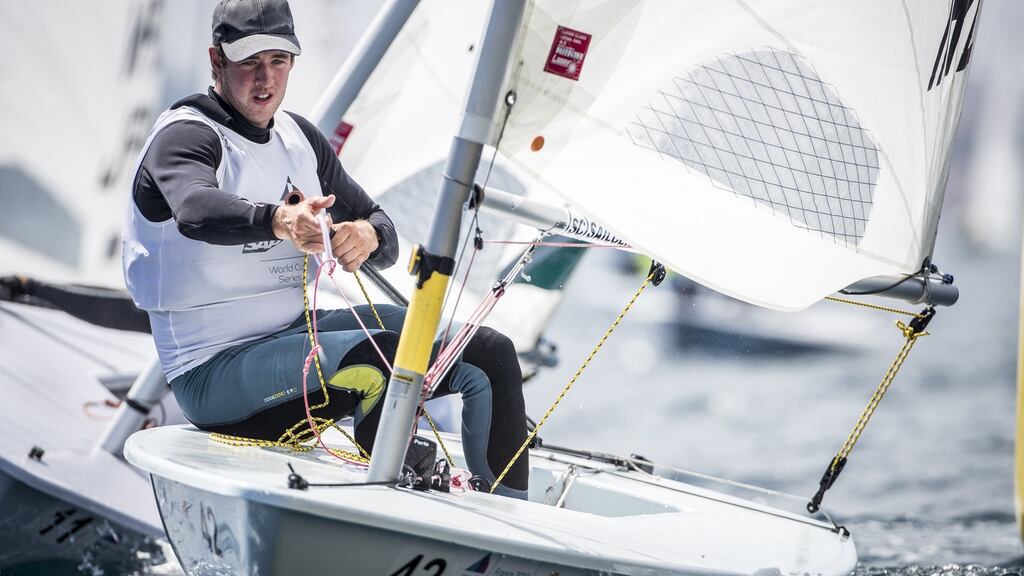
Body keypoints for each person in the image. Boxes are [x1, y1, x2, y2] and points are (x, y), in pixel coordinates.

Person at [121, 0, 528, 498]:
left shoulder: (299, 139)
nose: (264, 78)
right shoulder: (187, 136)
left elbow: (384, 232)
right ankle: (403, 495)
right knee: (380, 359)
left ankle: (509, 524)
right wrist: (277, 220)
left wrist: (367, 236)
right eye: (248, 61)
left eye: (279, 60)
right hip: (213, 373)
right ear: (216, 61)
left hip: (292, 340)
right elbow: (194, 208)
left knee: (486, 350)